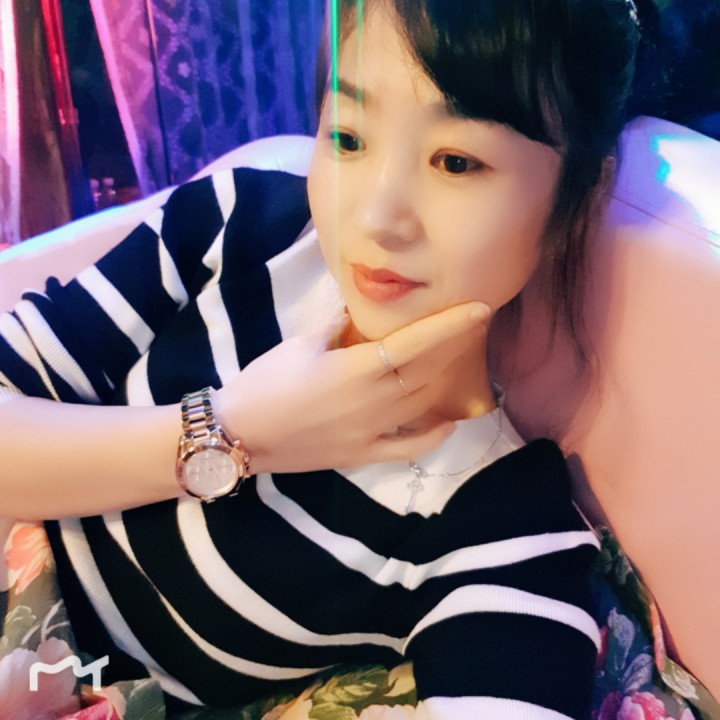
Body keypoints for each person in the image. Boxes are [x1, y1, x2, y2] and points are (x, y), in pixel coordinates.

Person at [0, 0, 645, 718]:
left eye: (456, 161)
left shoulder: (498, 526)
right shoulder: (238, 231)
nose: (373, 217)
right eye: (347, 137)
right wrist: (233, 431)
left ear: (576, 199)